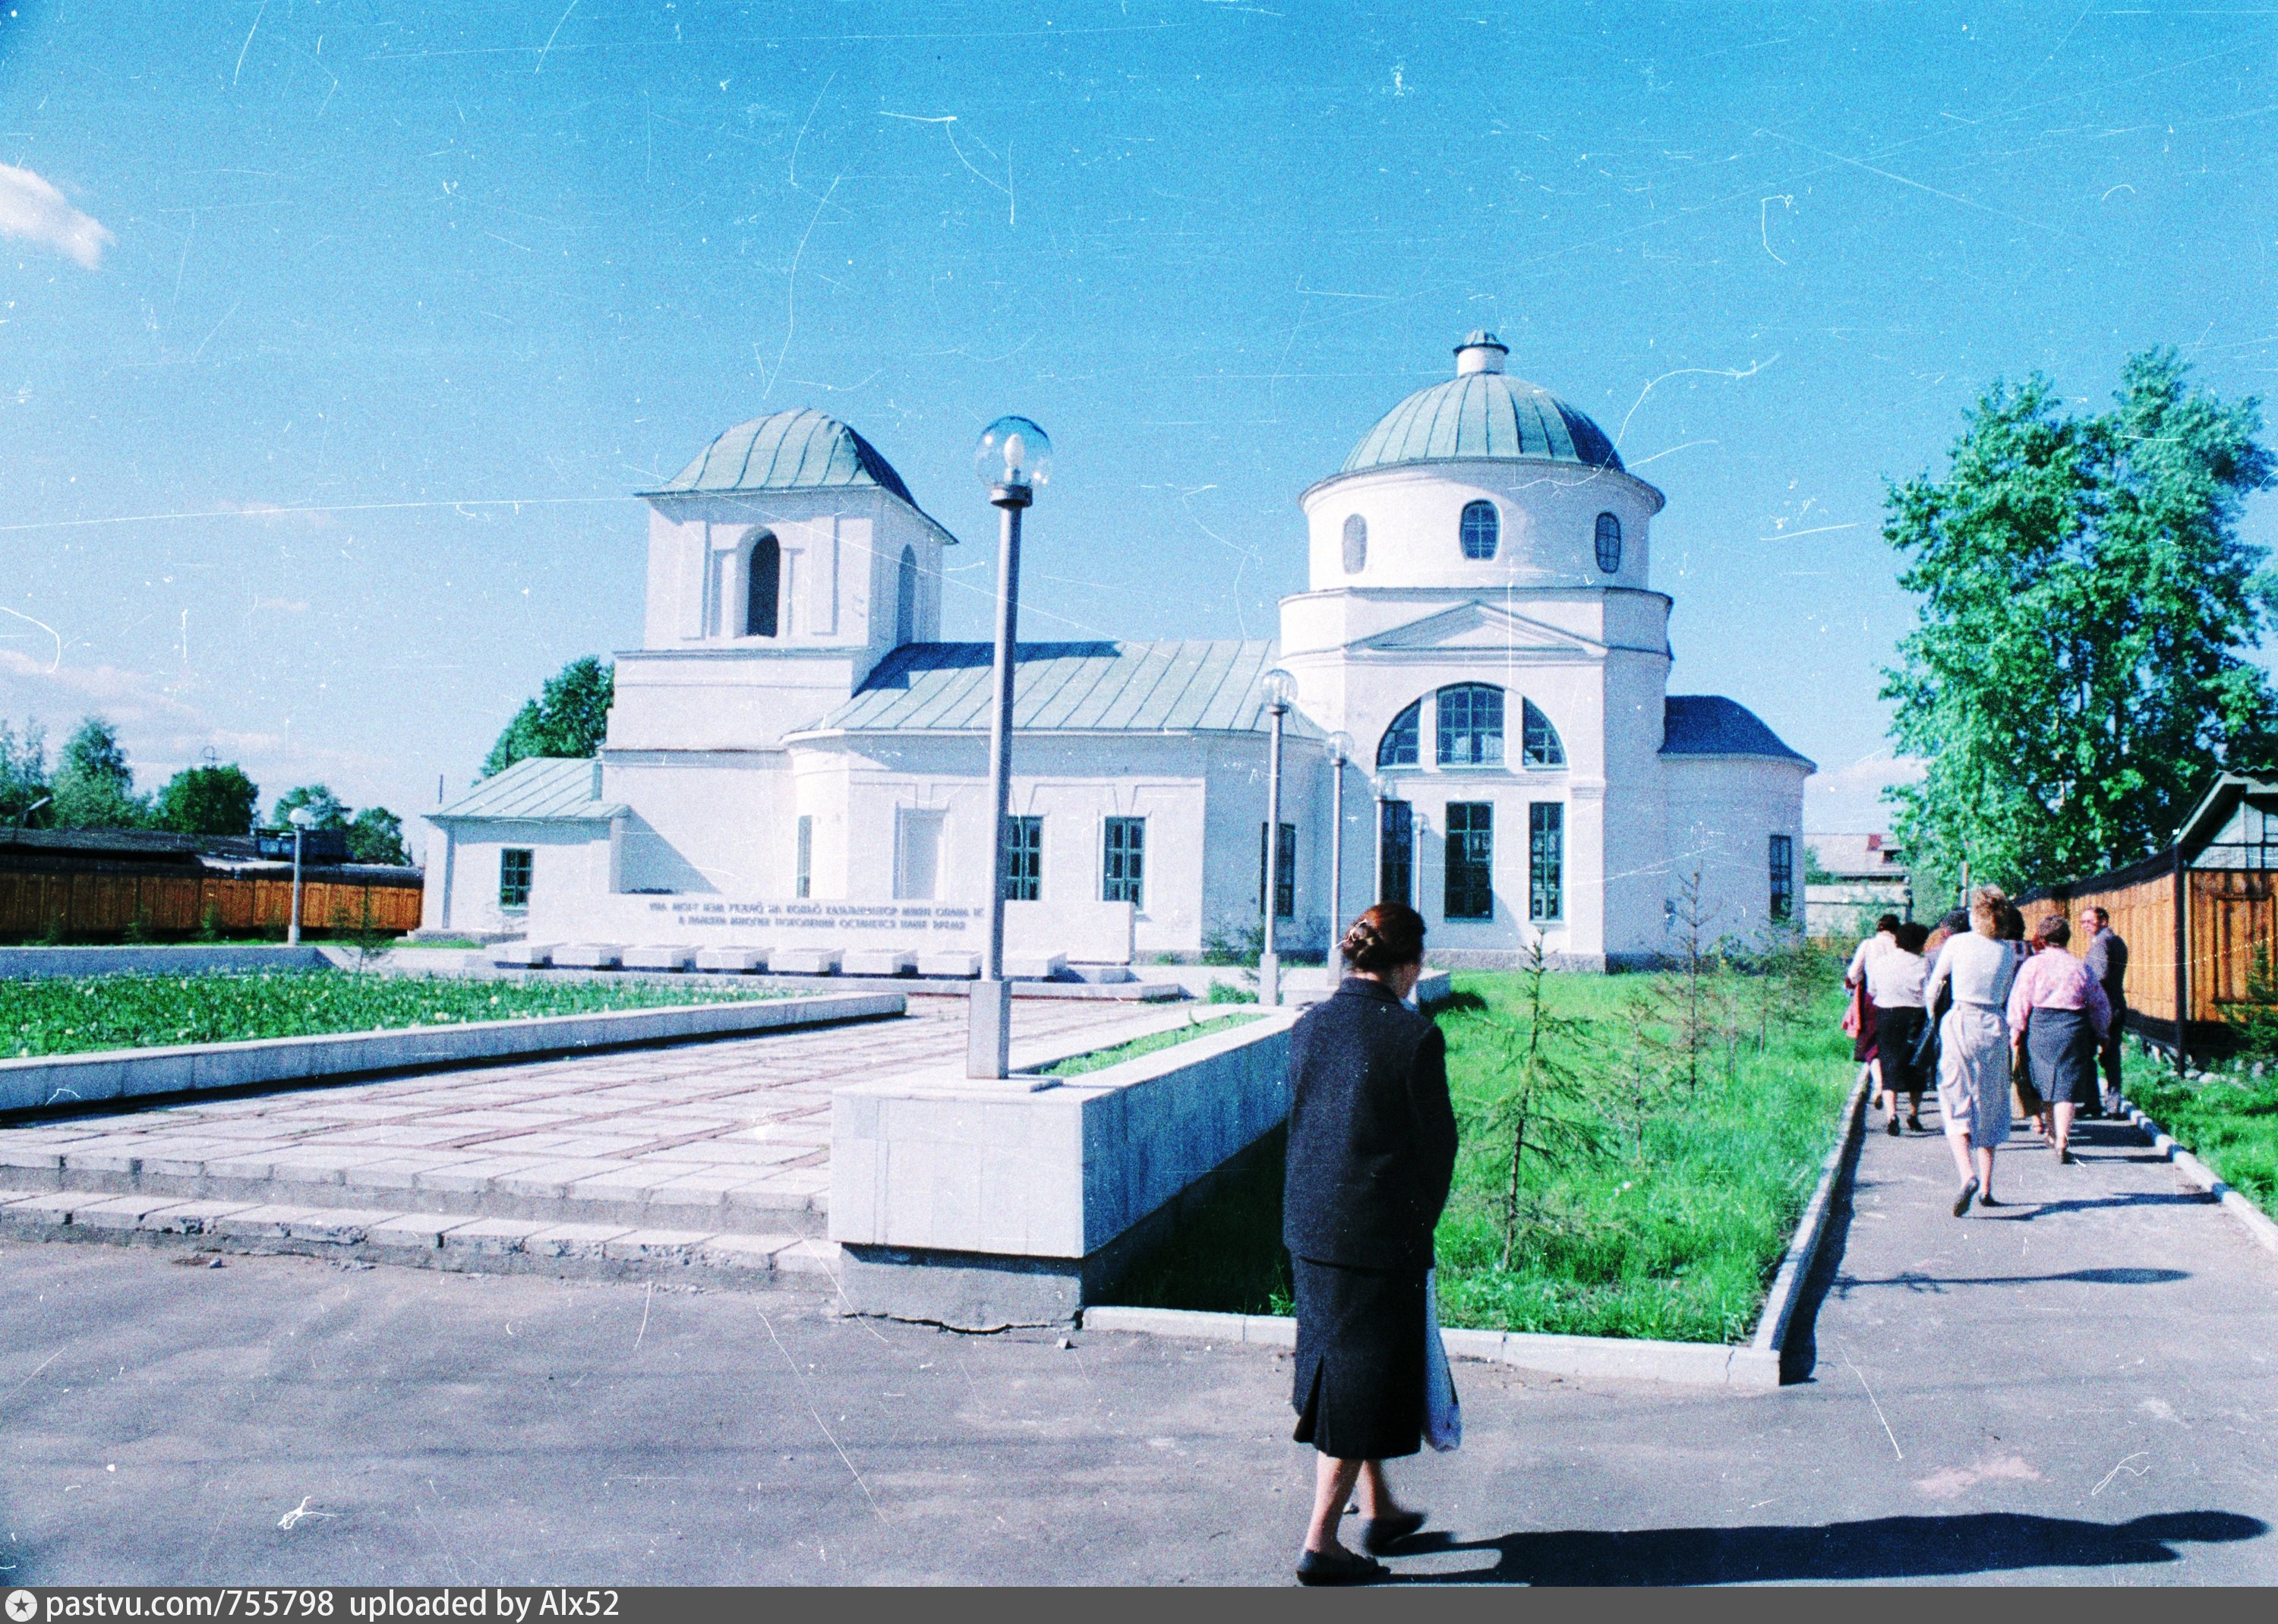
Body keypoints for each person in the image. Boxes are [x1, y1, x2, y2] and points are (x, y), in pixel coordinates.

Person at [1282, 901, 1457, 1586]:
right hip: (1378, 1238)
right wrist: (1416, 1223)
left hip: (1310, 1228)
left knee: (1351, 1371)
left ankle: (1379, 1508)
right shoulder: (1413, 1037)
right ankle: (1321, 1542)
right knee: (1359, 1383)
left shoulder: (1308, 1025)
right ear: (1406, 966)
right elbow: (1436, 1152)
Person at [1923, 887, 2024, 1215]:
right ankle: (1987, 1187)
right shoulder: (2007, 952)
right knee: (1991, 1101)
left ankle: (1967, 1175)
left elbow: (1934, 986)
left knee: (1955, 1098)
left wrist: (1932, 1017)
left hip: (1961, 1022)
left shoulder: (1956, 943)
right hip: (1995, 1024)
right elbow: (2005, 991)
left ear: (1975, 915)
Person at [2008, 914, 2112, 1165]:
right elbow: (2099, 1003)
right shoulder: (2079, 966)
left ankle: (2053, 1134)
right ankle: (2063, 1140)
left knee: (2045, 1082)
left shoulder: (2033, 966)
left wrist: (2016, 1030)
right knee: (2067, 1086)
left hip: (2041, 1026)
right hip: (2074, 1027)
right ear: (2067, 938)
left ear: (2042, 939)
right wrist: (2103, 1033)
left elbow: (2020, 999)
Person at [1866, 922, 1932, 1134]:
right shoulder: (1923, 964)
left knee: (1890, 1063)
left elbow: (1872, 989)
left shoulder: (1881, 963)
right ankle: (1913, 1114)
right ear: (1919, 944)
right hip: (1915, 1015)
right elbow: (1929, 993)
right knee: (1917, 1064)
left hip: (1886, 1014)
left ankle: (1891, 1115)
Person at [1845, 914, 1900, 1108]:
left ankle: (1878, 1085)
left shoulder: (1868, 945)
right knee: (1892, 1044)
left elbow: (1853, 974)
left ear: (1879, 928)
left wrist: (1858, 981)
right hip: (1897, 999)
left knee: (1872, 1046)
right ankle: (1890, 1088)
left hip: (1872, 999)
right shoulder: (1900, 946)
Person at [2081, 906, 2130, 1116]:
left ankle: (2093, 1103)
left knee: (2088, 1054)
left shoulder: (2102, 943)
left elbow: (2099, 975)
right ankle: (2114, 1105)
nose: (2085, 926)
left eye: (2089, 922)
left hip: (2101, 1008)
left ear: (2104, 921)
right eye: (2083, 922)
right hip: (2117, 1004)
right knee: (2112, 1058)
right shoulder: (2117, 941)